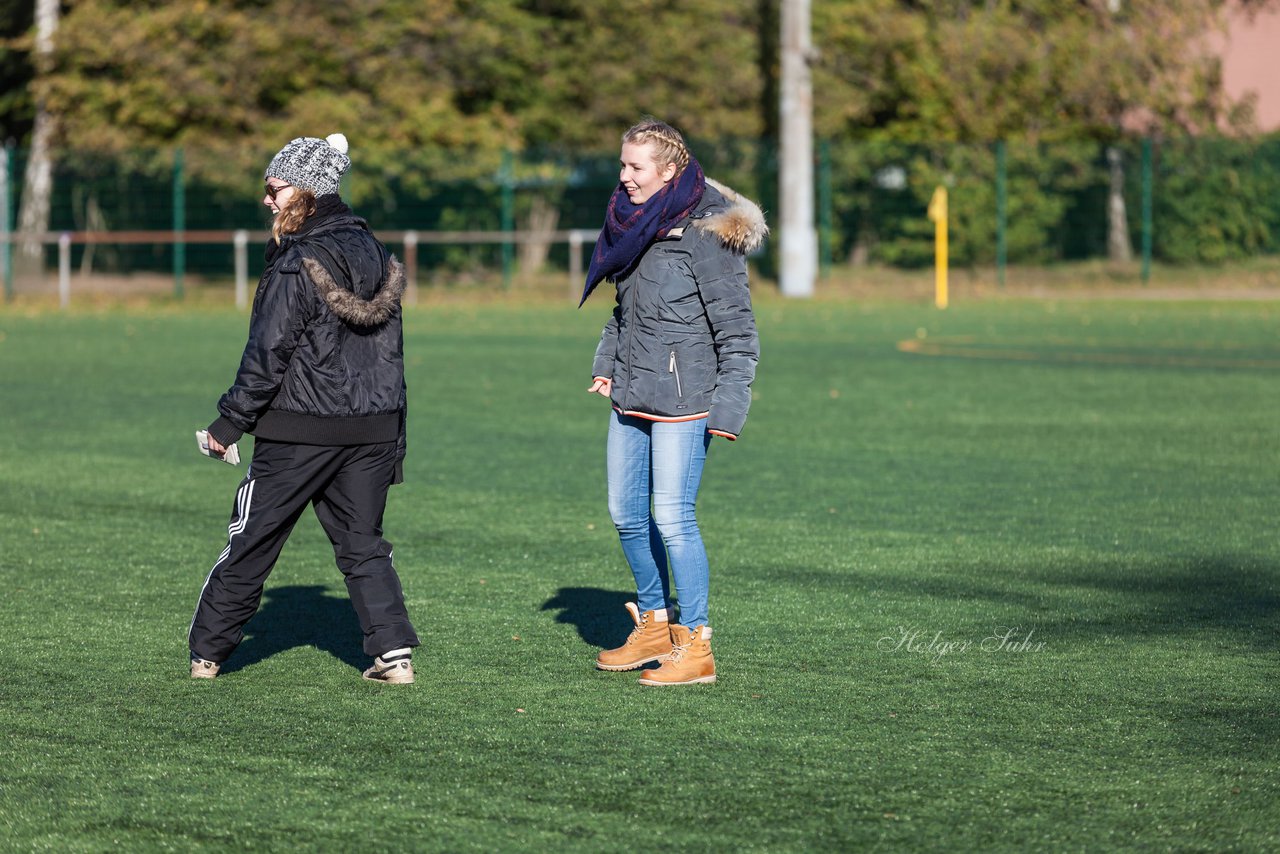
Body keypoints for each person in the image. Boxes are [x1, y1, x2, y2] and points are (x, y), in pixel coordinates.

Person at [188, 133, 419, 684]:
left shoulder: (298, 258)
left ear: (309, 192)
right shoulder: (377, 252)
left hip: (300, 429)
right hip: (372, 428)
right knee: (363, 544)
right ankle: (394, 657)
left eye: (276, 188)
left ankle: (207, 656)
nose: (268, 200)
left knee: (252, 539)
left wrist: (229, 423)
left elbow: (270, 350)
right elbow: (391, 356)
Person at [581, 118, 766, 686]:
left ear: (668, 171)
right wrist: (607, 364)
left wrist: (729, 411)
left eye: (635, 167)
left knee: (672, 518)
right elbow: (625, 308)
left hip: (688, 400)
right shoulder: (635, 220)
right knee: (626, 515)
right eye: (623, 164)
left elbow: (738, 332)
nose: (624, 176)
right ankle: (655, 625)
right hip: (632, 391)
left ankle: (697, 644)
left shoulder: (708, 233)